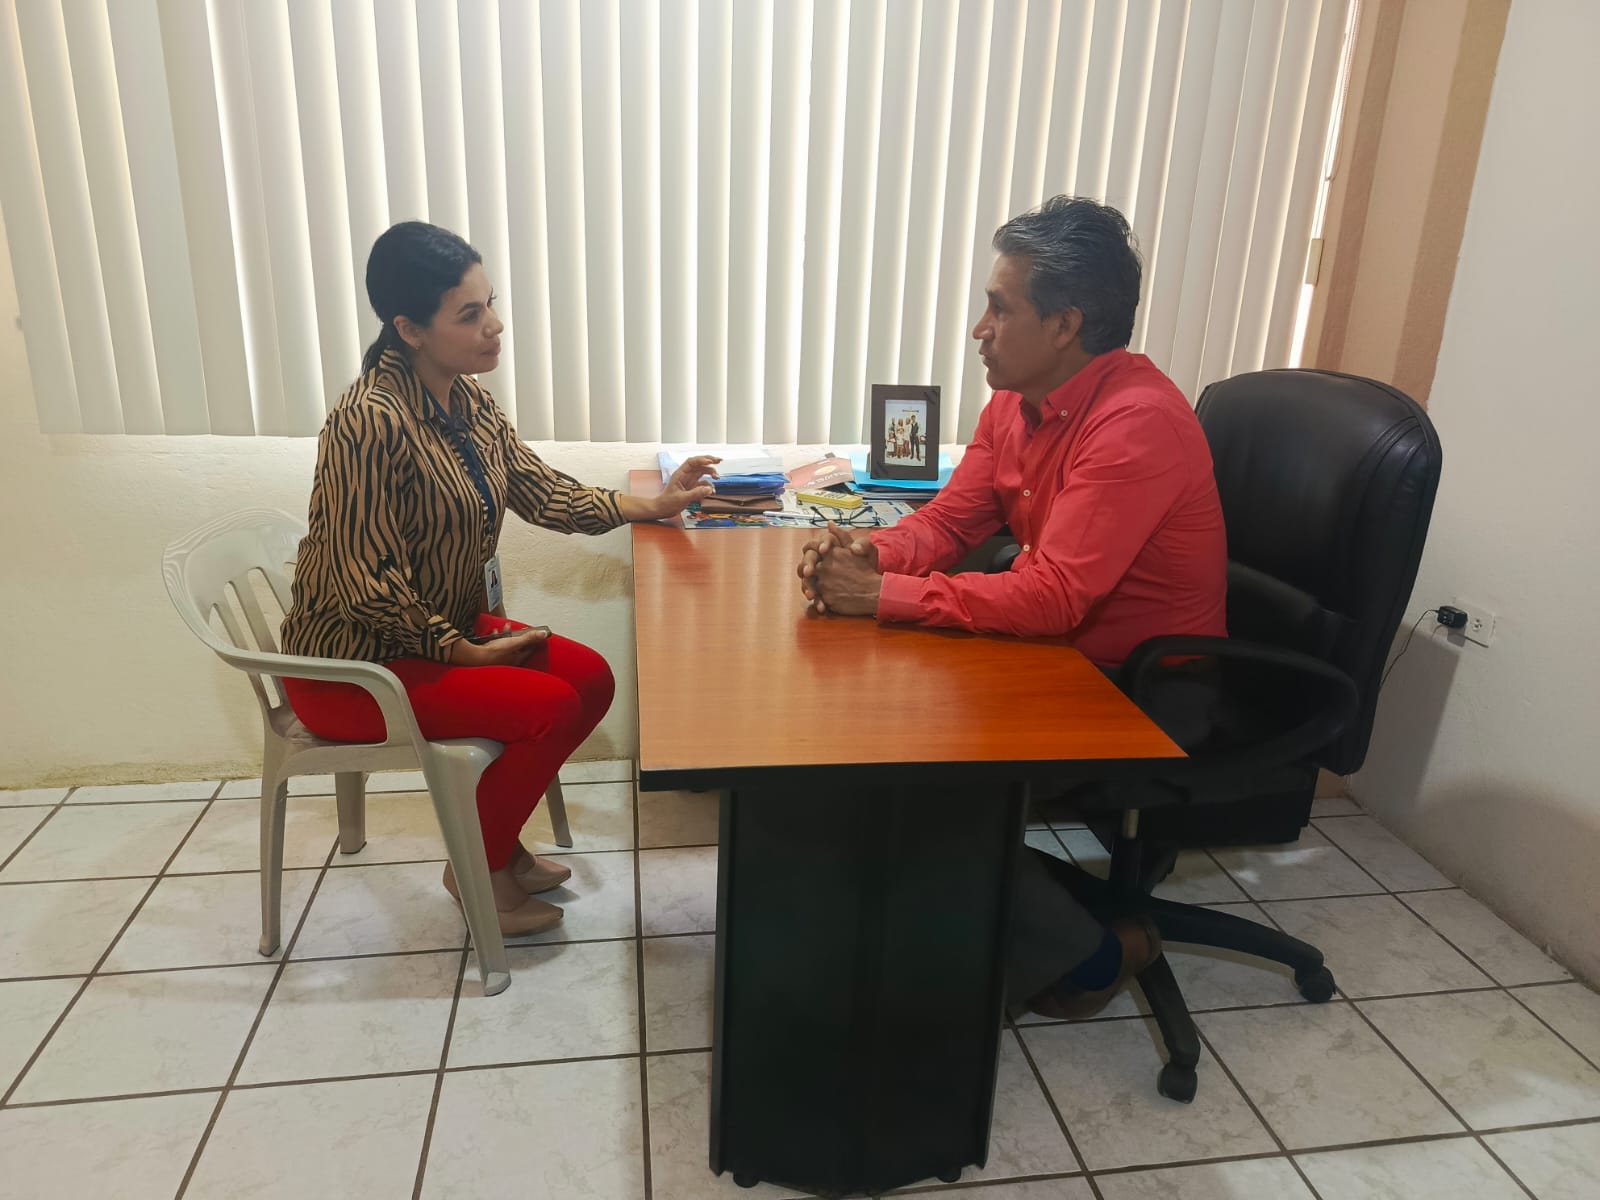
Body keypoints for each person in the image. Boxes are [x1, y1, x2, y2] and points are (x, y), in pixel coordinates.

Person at [796, 196, 1227, 1018]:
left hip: (1143, 687)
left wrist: (877, 596)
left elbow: (1056, 594)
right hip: (1062, 657)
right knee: (865, 745)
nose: (979, 330)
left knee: (917, 783)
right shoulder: (1014, 401)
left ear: (1065, 325)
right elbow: (954, 522)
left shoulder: (1136, 423)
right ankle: (1012, 919)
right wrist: (868, 555)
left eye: (1000, 308)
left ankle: (1095, 957)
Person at [280, 220, 718, 936]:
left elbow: (540, 490)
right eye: (469, 313)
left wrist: (653, 505)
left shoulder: (467, 398)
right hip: (358, 666)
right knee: (548, 707)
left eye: (491, 303)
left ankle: (496, 845)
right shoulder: (368, 422)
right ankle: (475, 867)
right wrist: (460, 652)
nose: (495, 325)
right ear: (409, 330)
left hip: (440, 635)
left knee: (592, 681)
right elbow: (367, 579)